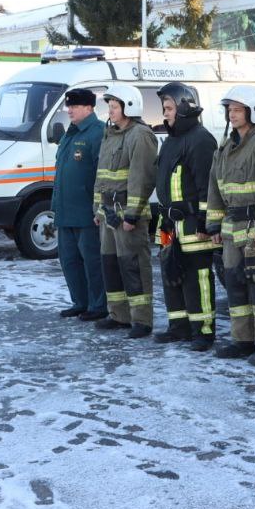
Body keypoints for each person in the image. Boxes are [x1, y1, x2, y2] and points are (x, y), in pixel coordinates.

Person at [205, 85, 255, 366]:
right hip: (231, 230)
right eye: (229, 110)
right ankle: (242, 340)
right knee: (235, 285)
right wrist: (213, 226)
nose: (232, 114)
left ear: (253, 111)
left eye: (238, 109)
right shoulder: (226, 147)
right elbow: (215, 189)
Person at [154, 82, 220, 350]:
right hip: (170, 222)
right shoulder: (172, 140)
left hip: (194, 224)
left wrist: (206, 221)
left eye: (169, 108)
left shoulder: (201, 140)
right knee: (172, 273)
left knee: (198, 277)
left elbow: (207, 186)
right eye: (164, 108)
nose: (165, 113)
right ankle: (179, 327)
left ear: (183, 108)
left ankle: (203, 331)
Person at [93, 83, 157, 338]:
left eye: (114, 106)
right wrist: (97, 209)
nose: (110, 111)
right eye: (109, 106)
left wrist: (132, 214)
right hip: (108, 212)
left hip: (127, 215)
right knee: (111, 264)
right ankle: (119, 315)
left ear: (129, 107)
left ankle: (141, 320)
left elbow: (142, 177)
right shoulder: (110, 135)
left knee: (133, 266)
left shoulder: (140, 135)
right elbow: (101, 175)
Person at [54, 88, 108, 321]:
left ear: (89, 107)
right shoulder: (70, 133)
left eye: (74, 106)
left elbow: (101, 174)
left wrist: (98, 207)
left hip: (86, 211)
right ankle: (80, 301)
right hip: (65, 210)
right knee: (69, 261)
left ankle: (98, 305)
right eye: (69, 106)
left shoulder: (97, 133)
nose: (69, 111)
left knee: (92, 261)